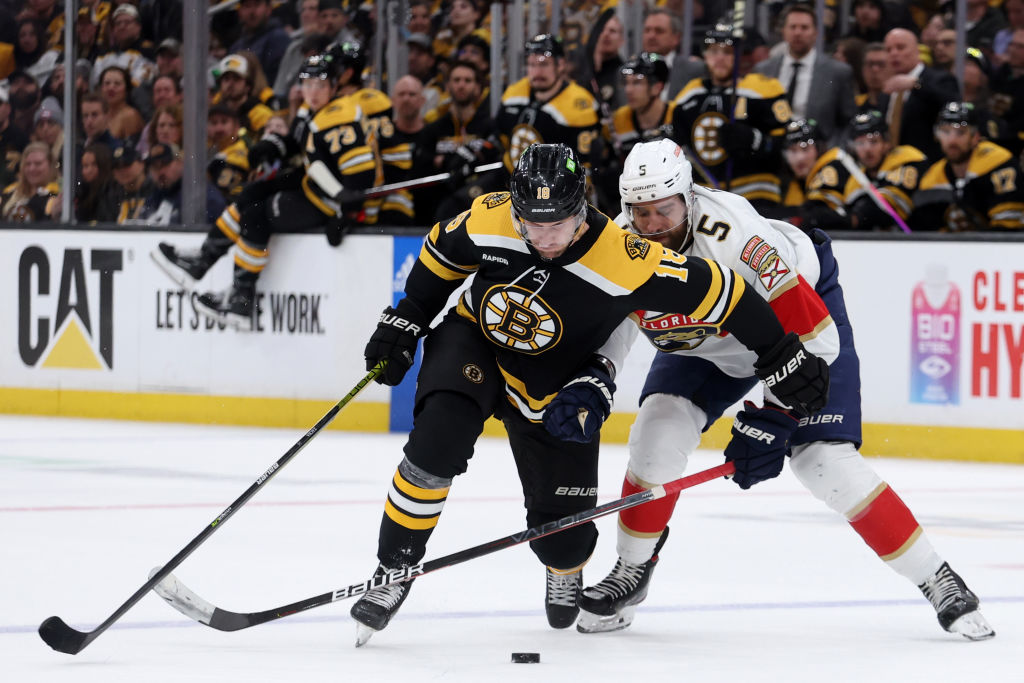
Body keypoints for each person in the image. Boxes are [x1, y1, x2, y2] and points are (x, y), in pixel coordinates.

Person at [347, 142, 831, 646]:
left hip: (557, 384)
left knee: (566, 542)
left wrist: (780, 355)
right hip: (477, 346)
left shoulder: (625, 257)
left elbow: (728, 292)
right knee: (433, 449)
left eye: (556, 223)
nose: (544, 237)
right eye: (531, 223)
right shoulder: (489, 218)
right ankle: (394, 568)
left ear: (582, 211)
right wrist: (407, 315)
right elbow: (440, 253)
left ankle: (564, 563)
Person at [576, 138, 996, 643]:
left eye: (663, 211)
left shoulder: (741, 239)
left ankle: (937, 577)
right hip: (709, 342)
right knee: (656, 434)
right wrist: (598, 374)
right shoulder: (621, 246)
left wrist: (775, 418)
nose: (653, 227)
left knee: (821, 460)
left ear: (687, 197)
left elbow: (819, 342)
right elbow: (615, 320)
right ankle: (632, 569)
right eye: (639, 213)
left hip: (797, 331)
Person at [151, 53, 377, 330]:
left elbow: (361, 171)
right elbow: (300, 144)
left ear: (333, 86)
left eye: (320, 85)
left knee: (256, 216)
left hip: (329, 200)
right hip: (314, 184)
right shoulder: (312, 110)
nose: (313, 92)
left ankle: (241, 299)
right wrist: (274, 145)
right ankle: (202, 259)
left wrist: (351, 213)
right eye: (308, 84)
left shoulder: (339, 116)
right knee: (250, 194)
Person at [670, 24, 792, 209]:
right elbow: (677, 145)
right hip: (706, 200)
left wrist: (756, 140)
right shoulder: (688, 95)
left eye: (727, 52)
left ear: (738, 56)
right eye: (714, 51)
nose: (720, 58)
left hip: (757, 193)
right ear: (705, 55)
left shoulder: (765, 90)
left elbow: (788, 144)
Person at [495, 34, 600, 176]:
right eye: (532, 65)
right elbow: (498, 138)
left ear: (561, 64)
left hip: (554, 184)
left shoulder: (579, 103)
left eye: (544, 64)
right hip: (510, 175)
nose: (537, 72)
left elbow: (582, 165)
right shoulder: (514, 93)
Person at [911, 101, 1024, 231]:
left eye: (961, 132)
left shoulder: (998, 162)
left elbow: (1009, 228)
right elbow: (927, 230)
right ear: (936, 136)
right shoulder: (932, 178)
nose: (952, 140)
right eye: (945, 132)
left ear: (975, 137)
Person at [753, 3, 856, 144]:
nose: (798, 33)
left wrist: (835, 149)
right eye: (793, 27)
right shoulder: (763, 70)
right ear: (783, 31)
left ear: (816, 33)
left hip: (818, 154)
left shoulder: (837, 72)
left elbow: (848, 122)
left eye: (804, 27)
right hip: (773, 154)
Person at [882, 28, 960, 161]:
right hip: (893, 167)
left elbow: (951, 105)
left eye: (900, 47)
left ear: (917, 50)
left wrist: (917, 85)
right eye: (888, 50)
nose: (894, 53)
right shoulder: (889, 87)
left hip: (927, 164)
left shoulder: (939, 79)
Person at [140, 142, 227, 226]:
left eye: (165, 164)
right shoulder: (154, 197)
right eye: (154, 167)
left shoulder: (204, 197)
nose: (160, 172)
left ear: (180, 162)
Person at [610, 52, 671, 164]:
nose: (628, 90)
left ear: (657, 87)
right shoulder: (617, 120)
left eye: (637, 83)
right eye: (626, 83)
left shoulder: (679, 115)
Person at [0, 139, 59, 221]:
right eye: (28, 164)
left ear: (50, 165)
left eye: (38, 163)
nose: (32, 168)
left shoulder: (56, 196)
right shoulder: (9, 192)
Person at [75, 142, 121, 223]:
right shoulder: (81, 192)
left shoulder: (113, 191)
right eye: (85, 166)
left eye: (94, 164)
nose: (89, 170)